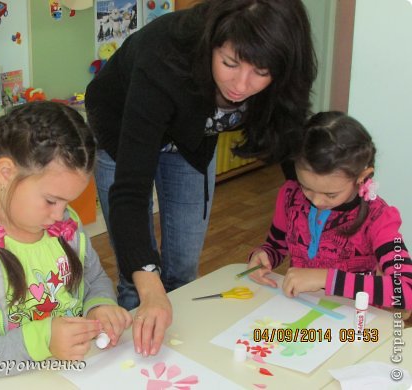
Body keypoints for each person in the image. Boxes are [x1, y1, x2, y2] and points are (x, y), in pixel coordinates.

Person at [85, 0, 317, 356]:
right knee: (139, 277)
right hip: (123, 128)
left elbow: (291, 152)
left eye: (261, 72)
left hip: (190, 141)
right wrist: (150, 290)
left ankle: (176, 346)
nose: (241, 85)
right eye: (229, 63)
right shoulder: (164, 60)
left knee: (182, 268)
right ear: (212, 43)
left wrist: (313, 222)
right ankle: (130, 350)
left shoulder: (283, 76)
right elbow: (129, 193)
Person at [0, 101, 132, 387]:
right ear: (6, 173)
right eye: (51, 200)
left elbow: (93, 278)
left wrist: (99, 305)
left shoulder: (63, 226)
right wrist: (39, 341)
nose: (60, 214)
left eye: (68, 202)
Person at [247, 111, 412, 310]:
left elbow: (406, 290)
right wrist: (264, 256)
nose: (316, 200)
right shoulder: (290, 195)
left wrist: (326, 278)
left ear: (362, 177)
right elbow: (276, 245)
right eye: (306, 187)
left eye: (331, 194)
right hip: (299, 310)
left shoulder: (379, 218)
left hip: (352, 322)